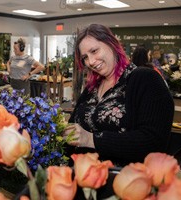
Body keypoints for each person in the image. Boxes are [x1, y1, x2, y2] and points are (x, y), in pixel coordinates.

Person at [63, 24, 174, 166]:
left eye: (94, 51)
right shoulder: (92, 88)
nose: (90, 61)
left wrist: (91, 140)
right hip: (82, 179)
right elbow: (72, 127)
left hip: (123, 182)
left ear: (112, 44)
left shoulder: (145, 79)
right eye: (85, 57)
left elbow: (153, 142)